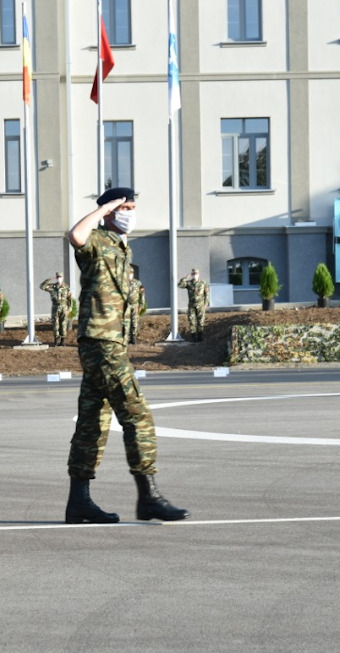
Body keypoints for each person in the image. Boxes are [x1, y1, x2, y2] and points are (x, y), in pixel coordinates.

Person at [64, 187, 189, 525]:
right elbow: (75, 235)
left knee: (93, 421)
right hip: (100, 342)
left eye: (132, 207)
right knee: (137, 414)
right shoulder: (96, 240)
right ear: (109, 210)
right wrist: (105, 208)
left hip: (109, 343)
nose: (130, 213)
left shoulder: (120, 246)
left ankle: (79, 503)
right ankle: (148, 496)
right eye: (126, 207)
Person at [40, 272, 72, 347]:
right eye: (57, 277)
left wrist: (69, 309)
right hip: (55, 307)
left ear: (63, 277)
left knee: (63, 324)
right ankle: (56, 341)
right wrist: (49, 279)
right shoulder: (52, 287)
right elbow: (42, 286)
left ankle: (63, 341)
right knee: (55, 324)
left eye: (60, 277)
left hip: (64, 307)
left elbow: (69, 299)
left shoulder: (66, 287)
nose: (59, 278)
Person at [178, 268, 209, 342]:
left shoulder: (203, 283)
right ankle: (194, 338)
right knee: (192, 322)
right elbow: (179, 285)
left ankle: (200, 338)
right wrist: (185, 278)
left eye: (196, 274)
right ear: (191, 275)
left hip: (200, 305)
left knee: (200, 322)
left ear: (199, 274)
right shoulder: (189, 283)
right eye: (193, 274)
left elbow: (206, 294)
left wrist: (206, 304)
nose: (195, 275)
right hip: (191, 305)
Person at [123, 270, 145, 346]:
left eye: (131, 273)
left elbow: (142, 294)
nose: (130, 275)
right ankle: (127, 339)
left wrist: (141, 305)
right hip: (127, 305)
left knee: (134, 322)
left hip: (135, 305)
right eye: (129, 273)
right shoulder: (124, 282)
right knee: (126, 322)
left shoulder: (137, 283)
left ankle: (133, 338)